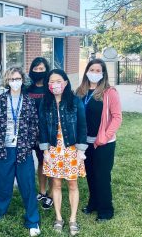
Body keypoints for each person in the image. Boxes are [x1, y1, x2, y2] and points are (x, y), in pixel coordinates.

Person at [0, 67, 41, 237]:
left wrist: (28, 143)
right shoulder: (0, 100)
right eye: (11, 79)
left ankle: (33, 220)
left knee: (27, 185)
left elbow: (34, 124)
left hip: (23, 150)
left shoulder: (28, 101)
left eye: (17, 78)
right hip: (4, 150)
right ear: (7, 81)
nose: (15, 82)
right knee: (3, 183)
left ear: (22, 80)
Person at [39, 69, 87, 236]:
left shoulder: (75, 101)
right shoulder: (45, 103)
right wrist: (45, 151)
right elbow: (43, 128)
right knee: (56, 184)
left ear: (65, 83)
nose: (55, 84)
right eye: (52, 82)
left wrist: (81, 151)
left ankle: (73, 219)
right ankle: (58, 217)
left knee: (73, 184)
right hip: (53, 149)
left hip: (72, 149)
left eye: (58, 81)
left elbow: (82, 126)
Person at [76, 58, 122, 222]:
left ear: (103, 74)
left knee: (102, 176)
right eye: (92, 70)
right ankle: (93, 203)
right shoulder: (80, 91)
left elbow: (117, 118)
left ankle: (106, 210)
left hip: (104, 142)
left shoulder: (109, 92)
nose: (94, 73)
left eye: (98, 71)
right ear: (86, 71)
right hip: (85, 143)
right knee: (90, 175)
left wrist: (105, 136)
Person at [27, 57, 53, 210]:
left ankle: (50, 194)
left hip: (49, 133)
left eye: (41, 69)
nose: (38, 71)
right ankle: (42, 191)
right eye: (35, 69)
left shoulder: (50, 88)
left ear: (46, 70)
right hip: (33, 134)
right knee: (41, 162)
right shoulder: (28, 89)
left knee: (50, 162)